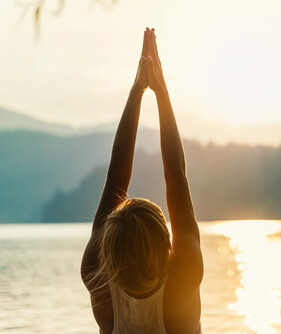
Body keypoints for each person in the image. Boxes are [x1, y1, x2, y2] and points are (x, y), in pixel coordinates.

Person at [81, 28, 203, 334]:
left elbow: (116, 180)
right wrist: (159, 92)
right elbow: (176, 178)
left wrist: (137, 91)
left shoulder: (99, 281)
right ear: (165, 242)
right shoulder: (181, 285)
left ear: (109, 249)